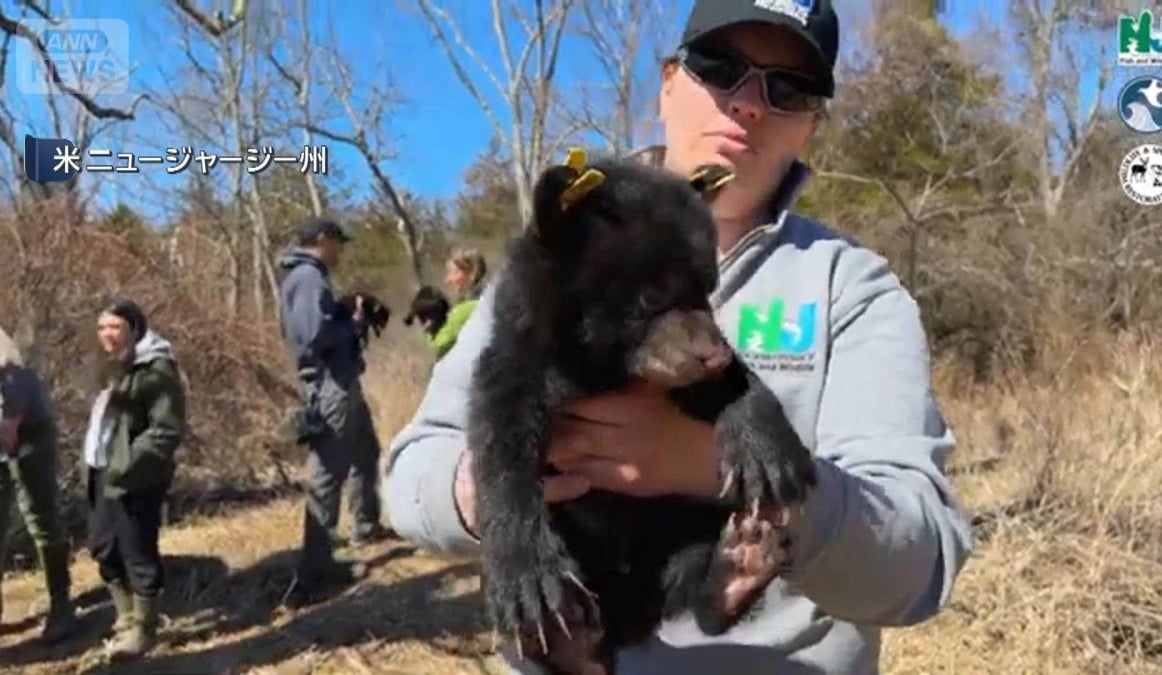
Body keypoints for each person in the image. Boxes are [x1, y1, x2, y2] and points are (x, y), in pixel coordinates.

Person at [384, 1, 975, 673]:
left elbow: (918, 561)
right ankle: (575, 630)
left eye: (788, 89)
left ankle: (713, 577)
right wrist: (496, 494)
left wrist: (725, 474)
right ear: (668, 83)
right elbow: (409, 478)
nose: (749, 104)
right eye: (722, 70)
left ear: (812, 123)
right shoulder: (564, 253)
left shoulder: (855, 290)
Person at [277, 216, 385, 607]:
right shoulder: (307, 277)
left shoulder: (307, 277)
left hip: (340, 381)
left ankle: (365, 526)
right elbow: (314, 335)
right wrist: (352, 323)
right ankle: (312, 574)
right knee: (327, 474)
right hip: (330, 384)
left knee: (366, 452)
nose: (341, 250)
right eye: (338, 242)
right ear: (322, 239)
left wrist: (339, 313)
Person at [83, 299, 186, 659]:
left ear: (133, 328)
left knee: (137, 549)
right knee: (103, 546)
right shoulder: (112, 367)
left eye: (114, 327)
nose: (106, 335)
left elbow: (167, 429)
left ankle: (145, 629)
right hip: (101, 469)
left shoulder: (155, 369)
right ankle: (125, 619)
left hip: (134, 476)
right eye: (102, 328)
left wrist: (128, 464)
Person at [0, 325, 78, 644]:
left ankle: (61, 606)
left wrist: (8, 430)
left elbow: (11, 408)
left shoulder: (2, 348)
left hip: (27, 431)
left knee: (41, 516)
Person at [427, 247, 487, 359]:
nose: (448, 280)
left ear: (472, 273)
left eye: (453, 273)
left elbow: (439, 344)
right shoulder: (490, 300)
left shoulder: (466, 309)